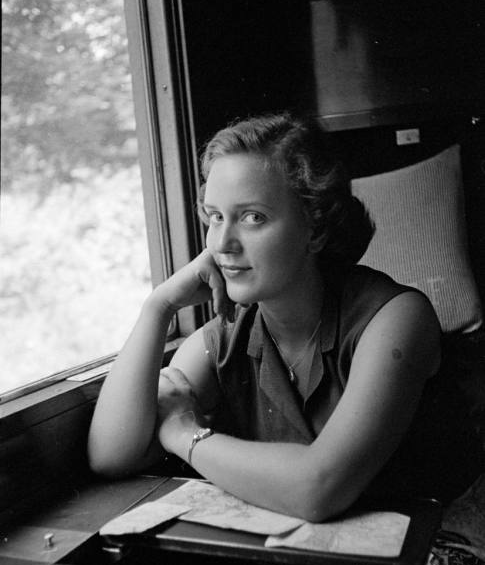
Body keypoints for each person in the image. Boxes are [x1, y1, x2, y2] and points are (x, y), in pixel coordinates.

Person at [87, 113, 477, 522]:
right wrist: (159, 307)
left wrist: (185, 434)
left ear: (316, 230)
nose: (222, 243)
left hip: (436, 553)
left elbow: (318, 489)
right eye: (215, 216)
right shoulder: (229, 334)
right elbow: (110, 456)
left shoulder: (395, 319)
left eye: (252, 217)